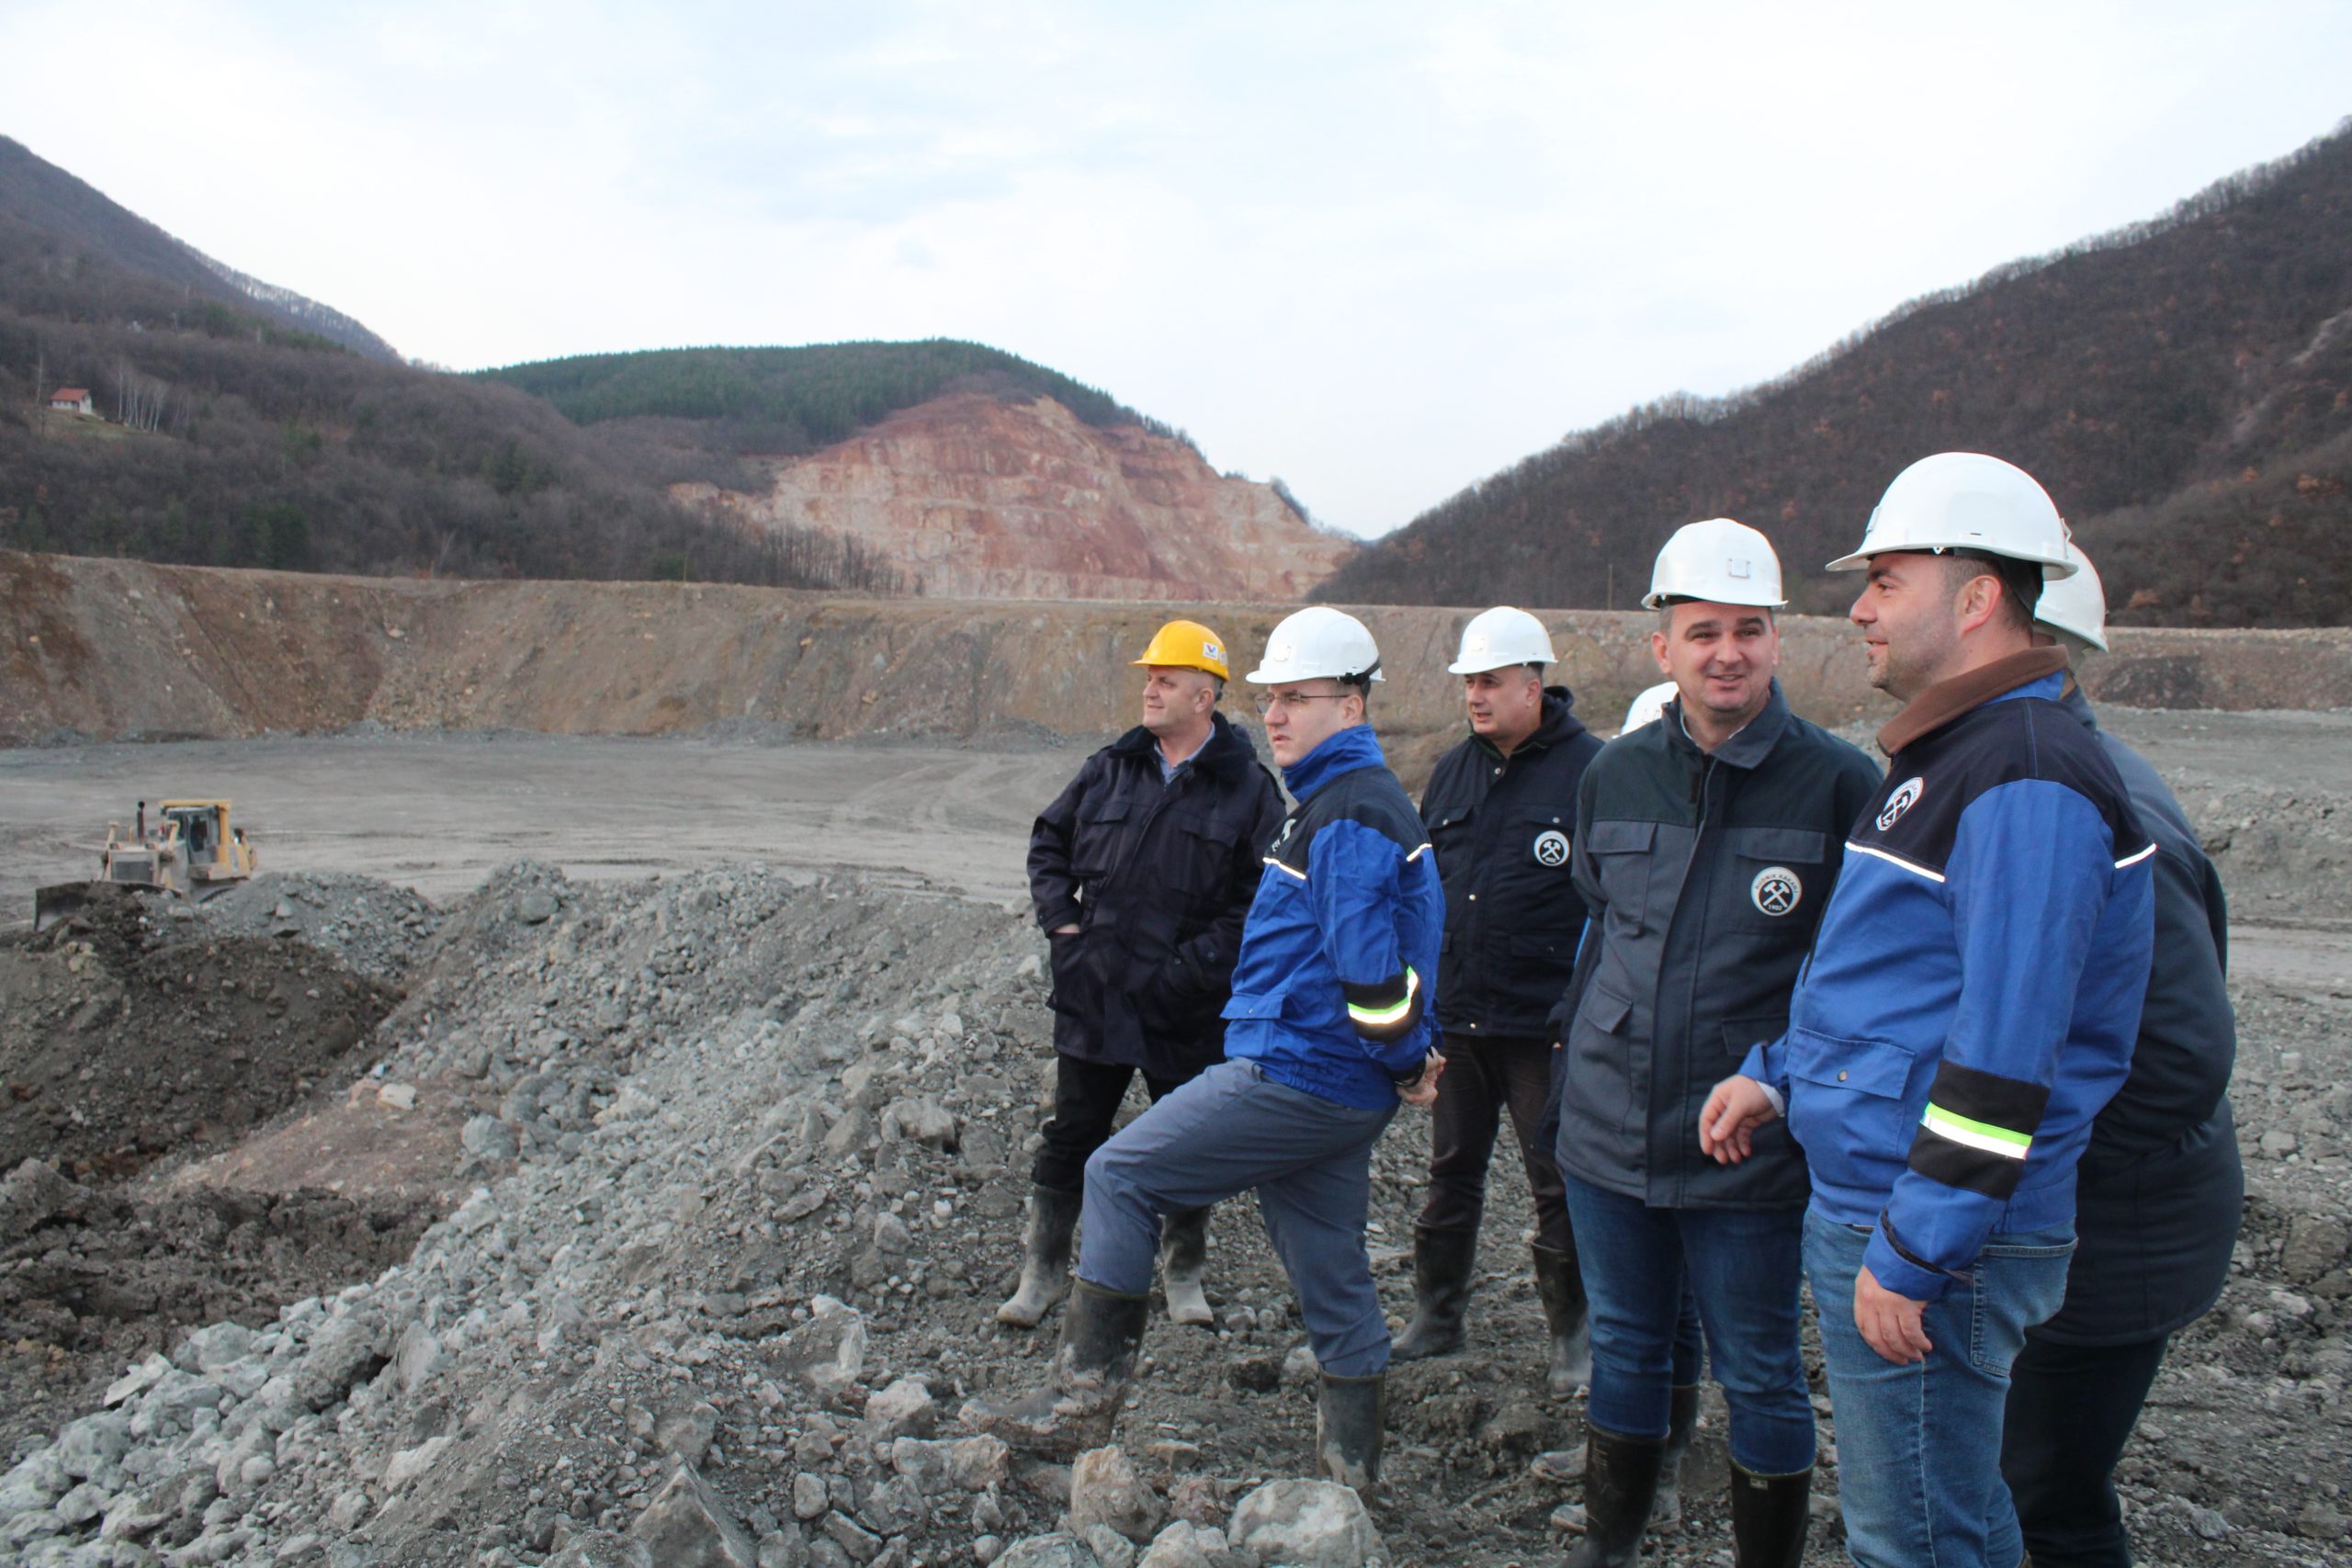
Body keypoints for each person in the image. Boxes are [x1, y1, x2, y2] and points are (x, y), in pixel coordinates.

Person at [1701, 453, 2158, 1568]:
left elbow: (2009, 1050)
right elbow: (1894, 984)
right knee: (1944, 1511)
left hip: (1929, 1225)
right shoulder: (1954, 756)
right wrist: (1780, 1074)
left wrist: (1917, 1247)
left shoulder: (2025, 775)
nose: (1859, 609)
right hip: (1891, 1198)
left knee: (1913, 1538)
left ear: (1976, 596)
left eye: (1885, 581)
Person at [967, 606, 1446, 1489]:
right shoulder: (1341, 803)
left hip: (1301, 1071)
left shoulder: (1348, 814)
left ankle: (1079, 1403)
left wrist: (1410, 1056)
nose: (1277, 715)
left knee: (1119, 1173)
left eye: (1298, 698)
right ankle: (1352, 1472)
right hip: (1335, 1080)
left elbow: (1371, 970)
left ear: (1352, 706)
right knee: (1331, 1268)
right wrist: (1404, 1056)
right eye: (1272, 698)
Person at [1546, 519, 1880, 1568]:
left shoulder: (1839, 784)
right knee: (1627, 1349)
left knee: (1761, 1372)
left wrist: (1784, 1086)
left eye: (1747, 629)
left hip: (1748, 1141)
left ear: (1778, 639)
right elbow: (1603, 929)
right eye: (1702, 632)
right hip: (1609, 1128)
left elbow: (1858, 972)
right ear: (1663, 647)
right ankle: (1609, 1548)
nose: (1725, 652)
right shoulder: (1614, 776)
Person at [2000, 546, 2243, 1567]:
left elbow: (2180, 1059)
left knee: (2045, 1501)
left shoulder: (2103, 806)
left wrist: (2007, 1172)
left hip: (2108, 1243)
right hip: (2069, 1230)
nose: (1867, 617)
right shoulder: (2024, 776)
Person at [1007, 620, 1283, 1329]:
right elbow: (1049, 842)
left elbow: (1257, 901)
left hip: (1183, 1008)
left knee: (1185, 1141)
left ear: (1204, 695)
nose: (1150, 690)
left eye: (1166, 679)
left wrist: (1190, 970)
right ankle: (1043, 1272)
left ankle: (1183, 1271)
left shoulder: (1248, 790)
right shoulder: (1110, 768)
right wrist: (1064, 928)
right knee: (1072, 1134)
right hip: (1095, 995)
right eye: (1149, 678)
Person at [1394, 606, 1603, 1394]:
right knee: (1451, 1169)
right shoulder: (1454, 770)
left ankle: (1574, 1338)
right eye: (1468, 683)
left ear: (1532, 683)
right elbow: (1423, 887)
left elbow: (1610, 903)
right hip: (1459, 1014)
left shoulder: (1593, 771)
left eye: (1488, 682)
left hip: (1541, 1021)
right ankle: (1436, 1317)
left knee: (1557, 1178)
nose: (1475, 696)